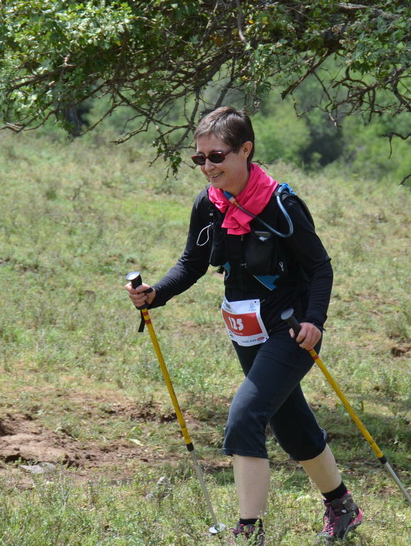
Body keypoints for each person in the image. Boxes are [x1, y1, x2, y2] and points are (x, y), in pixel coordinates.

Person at [125, 106, 364, 545]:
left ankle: (248, 532)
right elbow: (192, 263)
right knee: (291, 424)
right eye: (199, 159)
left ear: (245, 150)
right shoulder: (208, 205)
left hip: (290, 331)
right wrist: (156, 294)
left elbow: (320, 267)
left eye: (216, 156)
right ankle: (342, 506)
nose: (207, 167)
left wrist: (315, 320)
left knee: (244, 419)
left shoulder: (282, 205)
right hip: (245, 331)